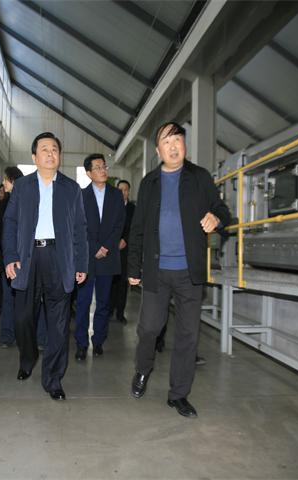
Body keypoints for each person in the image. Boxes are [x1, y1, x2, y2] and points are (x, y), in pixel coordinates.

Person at [127, 121, 230, 418]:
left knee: (188, 336)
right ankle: (143, 368)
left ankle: (179, 395)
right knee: (149, 329)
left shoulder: (199, 177)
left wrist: (216, 219)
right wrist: (133, 266)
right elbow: (137, 228)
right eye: (166, 141)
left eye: (177, 140)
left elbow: (222, 211)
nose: (173, 146)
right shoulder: (149, 183)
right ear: (158, 150)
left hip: (189, 272)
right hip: (156, 270)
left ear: (184, 145)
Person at [2, 132, 88, 401]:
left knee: (59, 324)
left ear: (59, 156)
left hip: (59, 258)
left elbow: (80, 229)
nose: (50, 153)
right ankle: (28, 358)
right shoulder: (22, 187)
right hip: (27, 258)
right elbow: (10, 223)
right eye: (44, 149)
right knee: (22, 318)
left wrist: (81, 263)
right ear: (34, 157)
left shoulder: (71, 189)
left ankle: (53, 379)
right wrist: (10, 256)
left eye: (54, 149)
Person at [74, 154, 125, 360]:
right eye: (97, 167)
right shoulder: (81, 195)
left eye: (104, 166)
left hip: (108, 256)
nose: (103, 170)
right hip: (87, 257)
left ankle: (98, 342)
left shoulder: (116, 195)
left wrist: (106, 247)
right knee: (83, 302)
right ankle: (81, 343)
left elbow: (119, 224)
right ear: (88, 173)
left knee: (103, 303)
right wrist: (95, 247)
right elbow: (79, 226)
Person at [0, 166, 24, 347]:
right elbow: (0, 234)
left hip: (21, 258)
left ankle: (19, 335)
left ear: (12, 181)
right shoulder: (4, 203)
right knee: (8, 298)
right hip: (8, 259)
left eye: (5, 179)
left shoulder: (24, 202)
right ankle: (7, 334)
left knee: (23, 300)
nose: (3, 183)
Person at [108, 179, 135, 325]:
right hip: (112, 250)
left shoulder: (133, 209)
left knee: (123, 284)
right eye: (120, 190)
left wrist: (126, 239)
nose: (123, 192)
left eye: (125, 190)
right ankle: (109, 310)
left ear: (129, 192)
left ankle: (120, 313)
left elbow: (135, 228)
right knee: (111, 282)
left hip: (125, 251)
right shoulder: (111, 207)